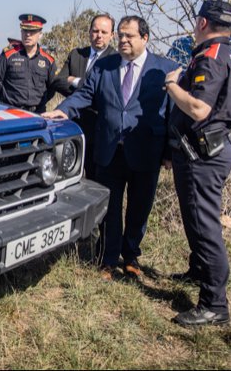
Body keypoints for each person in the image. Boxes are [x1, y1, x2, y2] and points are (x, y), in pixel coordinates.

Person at [42, 16, 178, 280]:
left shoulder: (164, 69)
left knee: (139, 209)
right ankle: (108, 258)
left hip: (145, 151)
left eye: (130, 36)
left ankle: (131, 258)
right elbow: (85, 94)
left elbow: (172, 112)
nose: (123, 40)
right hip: (109, 150)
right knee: (110, 209)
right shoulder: (104, 66)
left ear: (145, 38)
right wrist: (62, 110)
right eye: (121, 36)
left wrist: (170, 151)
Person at [165, 0, 231, 327]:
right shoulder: (230, 54)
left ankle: (214, 304)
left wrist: (171, 85)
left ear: (202, 23)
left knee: (205, 226)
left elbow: (199, 109)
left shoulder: (211, 58)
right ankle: (199, 270)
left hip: (204, 154)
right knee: (197, 219)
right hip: (207, 150)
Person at [51, 13, 116, 179]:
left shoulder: (115, 60)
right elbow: (58, 81)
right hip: (73, 125)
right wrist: (84, 93)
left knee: (95, 179)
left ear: (112, 35)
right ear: (89, 32)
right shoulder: (77, 55)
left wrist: (76, 81)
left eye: (104, 32)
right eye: (95, 31)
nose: (99, 36)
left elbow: (104, 92)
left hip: (98, 130)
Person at [0, 14, 57, 113]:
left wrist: (39, 103)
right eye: (25, 30)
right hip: (12, 112)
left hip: (38, 113)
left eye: (33, 31)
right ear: (21, 31)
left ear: (40, 34)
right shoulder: (7, 56)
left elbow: (52, 89)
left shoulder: (48, 61)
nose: (28, 34)